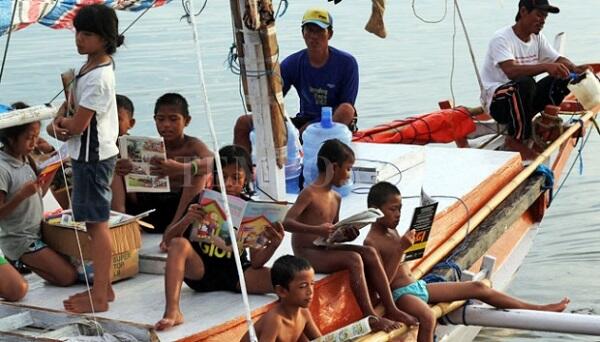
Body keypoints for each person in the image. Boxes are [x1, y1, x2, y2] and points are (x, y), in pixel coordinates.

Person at [364, 181, 571, 342]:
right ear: (374, 210)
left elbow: (401, 260)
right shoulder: (371, 241)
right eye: (393, 209)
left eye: (400, 208)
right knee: (427, 317)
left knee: (478, 286)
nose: (398, 214)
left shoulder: (391, 230)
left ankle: (537, 309)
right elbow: (382, 282)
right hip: (400, 294)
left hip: (418, 286)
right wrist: (401, 248)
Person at [283, 139, 416, 332]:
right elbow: (287, 223)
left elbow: (333, 235)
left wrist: (346, 235)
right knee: (353, 259)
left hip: (324, 247)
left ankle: (391, 307)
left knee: (368, 252)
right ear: (334, 167)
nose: (348, 175)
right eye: (347, 169)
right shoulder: (309, 193)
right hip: (307, 252)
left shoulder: (336, 198)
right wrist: (318, 230)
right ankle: (370, 315)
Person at [155, 145, 284, 331]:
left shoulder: (251, 209)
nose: (229, 183)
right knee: (178, 244)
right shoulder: (201, 200)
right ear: (214, 176)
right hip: (200, 271)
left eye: (236, 177)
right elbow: (168, 241)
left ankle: (284, 324)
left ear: (247, 177)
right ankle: (172, 311)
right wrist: (186, 220)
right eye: (222, 177)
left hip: (238, 273)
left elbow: (256, 262)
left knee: (286, 280)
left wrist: (274, 245)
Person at [47, 4, 123, 313]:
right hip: (88, 154)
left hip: (93, 159)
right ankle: (104, 289)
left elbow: (77, 125)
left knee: (96, 227)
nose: (80, 39)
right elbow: (72, 112)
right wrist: (61, 121)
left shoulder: (98, 77)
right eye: (78, 32)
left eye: (88, 34)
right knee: (95, 225)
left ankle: (101, 295)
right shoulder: (88, 68)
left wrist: (61, 124)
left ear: (105, 39)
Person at [233, 7, 359, 154]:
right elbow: (273, 95)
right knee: (243, 123)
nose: (314, 36)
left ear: (329, 34)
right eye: (309, 30)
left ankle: (318, 146)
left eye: (319, 31)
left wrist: (313, 127)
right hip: (304, 120)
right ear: (303, 34)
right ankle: (241, 169)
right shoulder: (294, 62)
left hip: (332, 122)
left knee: (346, 110)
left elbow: (347, 107)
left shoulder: (346, 63)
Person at [480, 0, 589, 159]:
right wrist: (546, 67)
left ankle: (546, 123)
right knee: (525, 83)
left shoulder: (537, 38)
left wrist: (576, 69)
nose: (543, 20)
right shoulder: (501, 38)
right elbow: (511, 71)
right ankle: (516, 139)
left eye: (545, 16)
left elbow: (558, 59)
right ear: (523, 12)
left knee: (560, 79)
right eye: (538, 15)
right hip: (499, 104)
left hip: (522, 102)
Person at [115, 93, 213, 234]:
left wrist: (181, 168)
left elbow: (214, 163)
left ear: (187, 121)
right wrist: (126, 167)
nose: (166, 125)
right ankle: (121, 222)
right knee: (116, 168)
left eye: (173, 119)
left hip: (178, 211)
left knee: (196, 172)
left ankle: (174, 228)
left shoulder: (192, 145)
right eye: (161, 120)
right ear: (155, 120)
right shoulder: (145, 145)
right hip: (147, 206)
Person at [0, 120, 77, 291]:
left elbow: (39, 192)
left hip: (38, 231)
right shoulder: (2, 168)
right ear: (11, 139)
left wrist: (54, 164)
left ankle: (31, 263)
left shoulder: (25, 158)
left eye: (36, 137)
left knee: (79, 264)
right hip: (19, 238)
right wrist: (21, 196)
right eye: (29, 138)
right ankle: (18, 261)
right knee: (68, 277)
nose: (34, 143)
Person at [240, 255, 321, 342]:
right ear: (282, 291)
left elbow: (322, 340)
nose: (310, 291)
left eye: (312, 284)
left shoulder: (304, 313)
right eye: (303, 286)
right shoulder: (274, 320)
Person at [110, 94, 136, 213]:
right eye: (107, 119)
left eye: (117, 119)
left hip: (136, 199)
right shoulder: (97, 146)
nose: (111, 124)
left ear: (131, 123)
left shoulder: (135, 146)